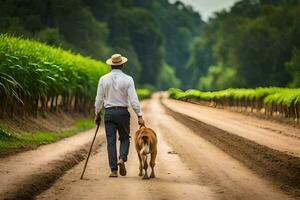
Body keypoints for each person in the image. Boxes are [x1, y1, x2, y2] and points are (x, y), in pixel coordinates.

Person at [94, 53, 145, 178]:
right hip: (122, 113)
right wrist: (139, 115)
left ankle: (113, 170)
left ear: (111, 65)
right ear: (122, 64)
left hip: (109, 113)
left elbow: (99, 99)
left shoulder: (103, 79)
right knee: (124, 138)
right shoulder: (128, 79)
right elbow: (133, 100)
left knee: (111, 141)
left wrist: (97, 113)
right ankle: (122, 158)